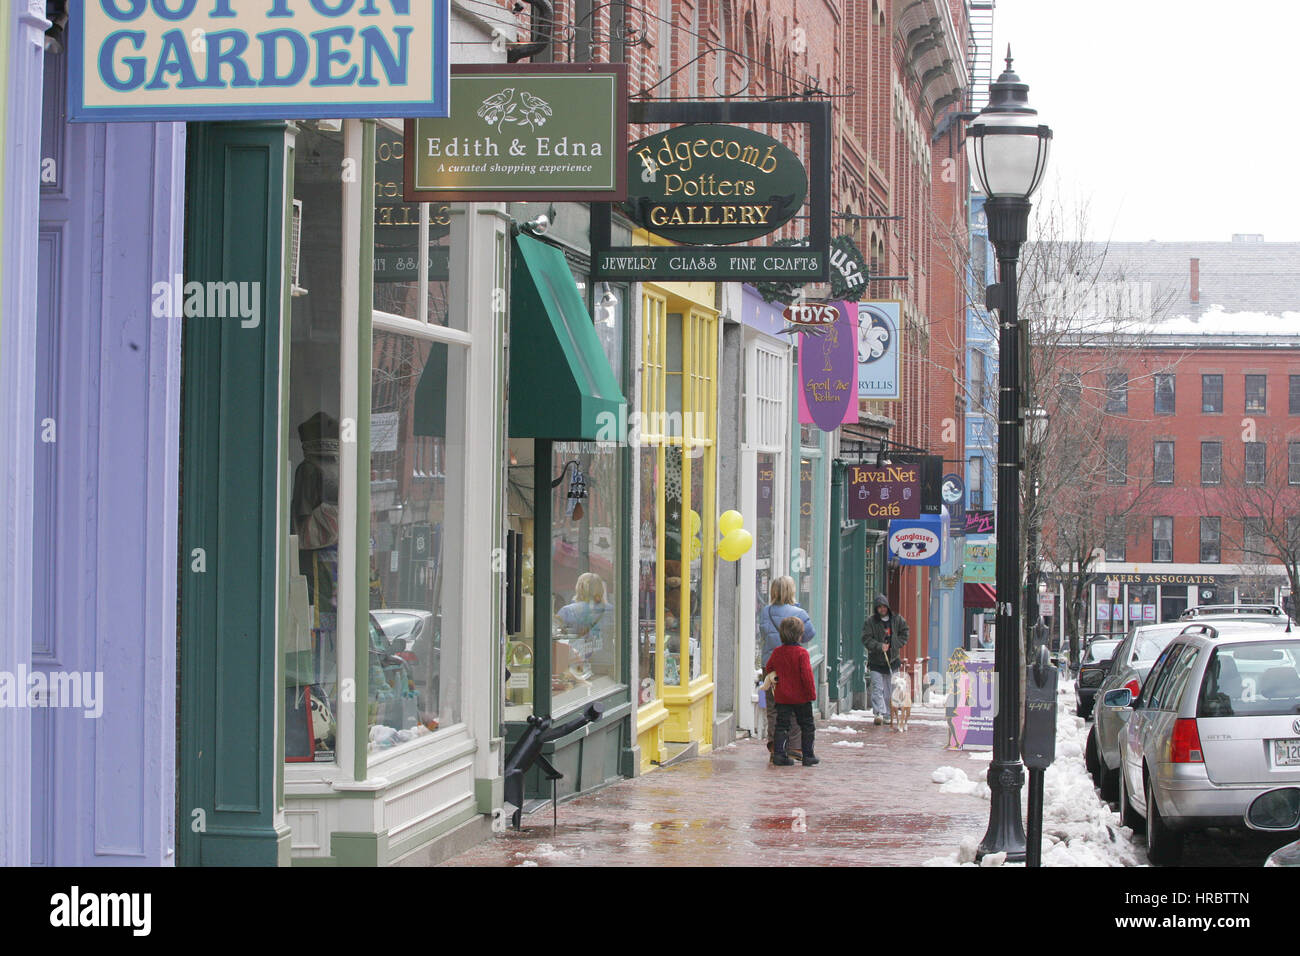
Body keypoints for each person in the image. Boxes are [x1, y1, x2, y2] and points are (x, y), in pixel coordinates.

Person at [757, 576, 816, 757]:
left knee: (773, 706)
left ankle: (775, 746)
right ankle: (795, 746)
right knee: (796, 704)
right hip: (793, 665)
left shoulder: (765, 612)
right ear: (792, 591)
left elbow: (764, 633)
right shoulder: (799, 613)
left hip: (771, 665)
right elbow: (809, 635)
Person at [763, 617, 818, 766]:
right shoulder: (802, 653)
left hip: (783, 697)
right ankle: (808, 755)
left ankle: (779, 755)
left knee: (782, 726)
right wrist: (811, 694)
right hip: (801, 698)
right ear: (800, 635)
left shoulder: (777, 652)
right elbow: (807, 676)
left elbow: (769, 667)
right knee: (807, 725)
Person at [862, 593, 908, 726]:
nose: (882, 609)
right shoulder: (870, 622)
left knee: (890, 689)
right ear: (876, 608)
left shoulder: (897, 619)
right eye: (879, 607)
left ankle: (888, 713)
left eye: (884, 607)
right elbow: (866, 639)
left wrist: (895, 644)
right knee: (877, 688)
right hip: (876, 661)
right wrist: (879, 646)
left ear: (887, 607)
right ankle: (878, 713)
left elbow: (905, 632)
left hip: (892, 661)